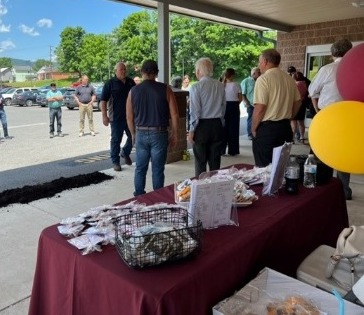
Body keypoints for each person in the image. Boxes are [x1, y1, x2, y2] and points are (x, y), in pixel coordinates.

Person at [308, 38, 353, 200]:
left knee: (321, 150)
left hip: (327, 115)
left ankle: (321, 185)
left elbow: (312, 90)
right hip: (349, 117)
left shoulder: (328, 69)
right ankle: (344, 189)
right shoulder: (356, 69)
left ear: (333, 53)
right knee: (343, 154)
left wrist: (317, 109)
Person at [126, 60, 179, 196]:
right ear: (156, 73)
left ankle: (139, 196)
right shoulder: (165, 89)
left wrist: (133, 134)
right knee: (158, 169)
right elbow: (174, 113)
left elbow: (129, 117)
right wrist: (175, 133)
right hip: (159, 133)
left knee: (140, 168)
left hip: (141, 133)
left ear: (142, 72)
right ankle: (158, 197)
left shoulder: (133, 91)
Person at [252, 48, 301, 167]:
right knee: (280, 167)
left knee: (264, 168)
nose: (259, 65)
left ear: (265, 61)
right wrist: (289, 117)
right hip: (285, 128)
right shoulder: (289, 79)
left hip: (267, 129)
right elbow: (298, 101)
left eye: (260, 62)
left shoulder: (263, 79)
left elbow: (260, 107)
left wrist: (253, 128)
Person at [188, 57, 226, 177]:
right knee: (215, 161)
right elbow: (223, 106)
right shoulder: (220, 85)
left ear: (199, 71)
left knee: (200, 161)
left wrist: (192, 130)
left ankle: (201, 189)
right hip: (217, 124)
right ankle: (216, 187)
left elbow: (195, 111)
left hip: (202, 126)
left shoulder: (196, 87)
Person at [100, 62, 135, 171]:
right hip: (116, 118)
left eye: (124, 69)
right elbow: (103, 100)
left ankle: (125, 152)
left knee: (133, 137)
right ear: (116, 71)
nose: (123, 71)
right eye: (121, 69)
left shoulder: (130, 82)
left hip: (130, 117)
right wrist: (104, 116)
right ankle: (115, 162)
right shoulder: (110, 83)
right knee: (116, 140)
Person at [221, 68, 242, 156]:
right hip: (234, 106)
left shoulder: (221, 85)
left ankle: (222, 150)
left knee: (223, 128)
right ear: (232, 75)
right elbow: (240, 98)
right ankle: (233, 150)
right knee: (233, 128)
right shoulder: (236, 85)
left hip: (224, 106)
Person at [241, 67, 261, 140]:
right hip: (251, 104)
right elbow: (243, 93)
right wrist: (246, 102)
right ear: (253, 73)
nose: (260, 73)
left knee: (258, 118)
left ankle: (256, 133)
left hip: (259, 103)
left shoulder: (259, 81)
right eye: (259, 72)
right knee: (251, 119)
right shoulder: (246, 81)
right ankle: (250, 134)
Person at [291, 71, 309, 143]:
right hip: (302, 104)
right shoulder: (304, 84)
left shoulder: (295, 85)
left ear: (295, 77)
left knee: (293, 122)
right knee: (301, 122)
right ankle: (302, 137)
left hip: (295, 104)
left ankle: (292, 138)